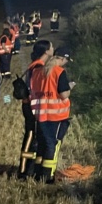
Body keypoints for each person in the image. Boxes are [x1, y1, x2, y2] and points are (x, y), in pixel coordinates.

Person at [29, 47, 74, 183]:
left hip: (41, 114)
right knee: (52, 145)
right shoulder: (59, 72)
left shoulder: (37, 71)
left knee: (42, 143)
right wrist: (70, 86)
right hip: (57, 115)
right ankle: (47, 176)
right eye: (66, 60)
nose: (65, 63)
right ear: (62, 58)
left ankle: (37, 172)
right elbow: (63, 94)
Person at [19, 40, 54, 178]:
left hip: (32, 104)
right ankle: (23, 171)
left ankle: (32, 169)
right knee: (30, 136)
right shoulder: (38, 66)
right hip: (31, 106)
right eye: (51, 47)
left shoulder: (37, 64)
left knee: (36, 137)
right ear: (46, 51)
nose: (53, 48)